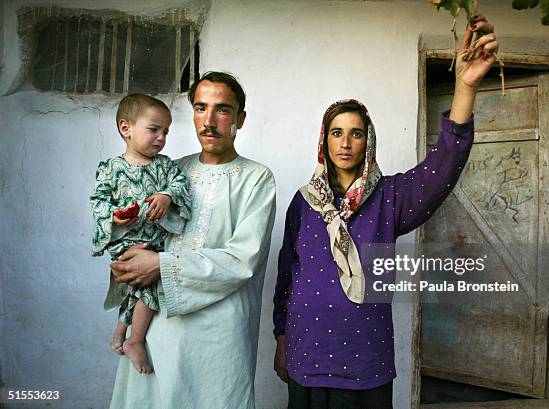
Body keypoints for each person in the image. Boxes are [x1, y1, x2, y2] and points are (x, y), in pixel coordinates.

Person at [273, 16, 499, 408]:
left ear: (368, 141)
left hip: (364, 363)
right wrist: (281, 339)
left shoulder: (390, 197)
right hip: (305, 356)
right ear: (324, 140)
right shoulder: (304, 202)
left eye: (356, 133)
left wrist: (464, 88)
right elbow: (286, 277)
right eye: (336, 132)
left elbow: (443, 166)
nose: (345, 143)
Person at [108, 72, 276, 409]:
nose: (209, 121)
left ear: (240, 119)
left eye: (222, 110)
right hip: (159, 322)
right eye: (201, 108)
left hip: (222, 330)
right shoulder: (169, 171)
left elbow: (242, 260)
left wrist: (160, 265)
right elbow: (137, 226)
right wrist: (128, 251)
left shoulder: (257, 178)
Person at [90, 94, 191, 374]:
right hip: (125, 241)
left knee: (143, 286)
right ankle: (134, 340)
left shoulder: (164, 166)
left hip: (155, 242)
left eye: (166, 132)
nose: (161, 138)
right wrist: (114, 214)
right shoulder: (110, 169)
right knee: (142, 286)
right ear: (126, 128)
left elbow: (180, 182)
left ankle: (120, 334)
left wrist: (166, 195)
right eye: (154, 129)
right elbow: (98, 200)